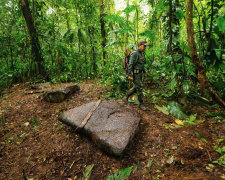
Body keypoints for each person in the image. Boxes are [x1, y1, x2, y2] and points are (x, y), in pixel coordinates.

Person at [123, 40, 148, 110]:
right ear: (139, 45)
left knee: (135, 87)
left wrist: (144, 72)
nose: (145, 48)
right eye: (144, 46)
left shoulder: (142, 53)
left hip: (140, 73)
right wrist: (130, 75)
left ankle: (126, 96)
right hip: (135, 74)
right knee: (139, 88)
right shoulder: (135, 53)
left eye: (145, 46)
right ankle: (141, 103)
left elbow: (141, 64)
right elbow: (130, 65)